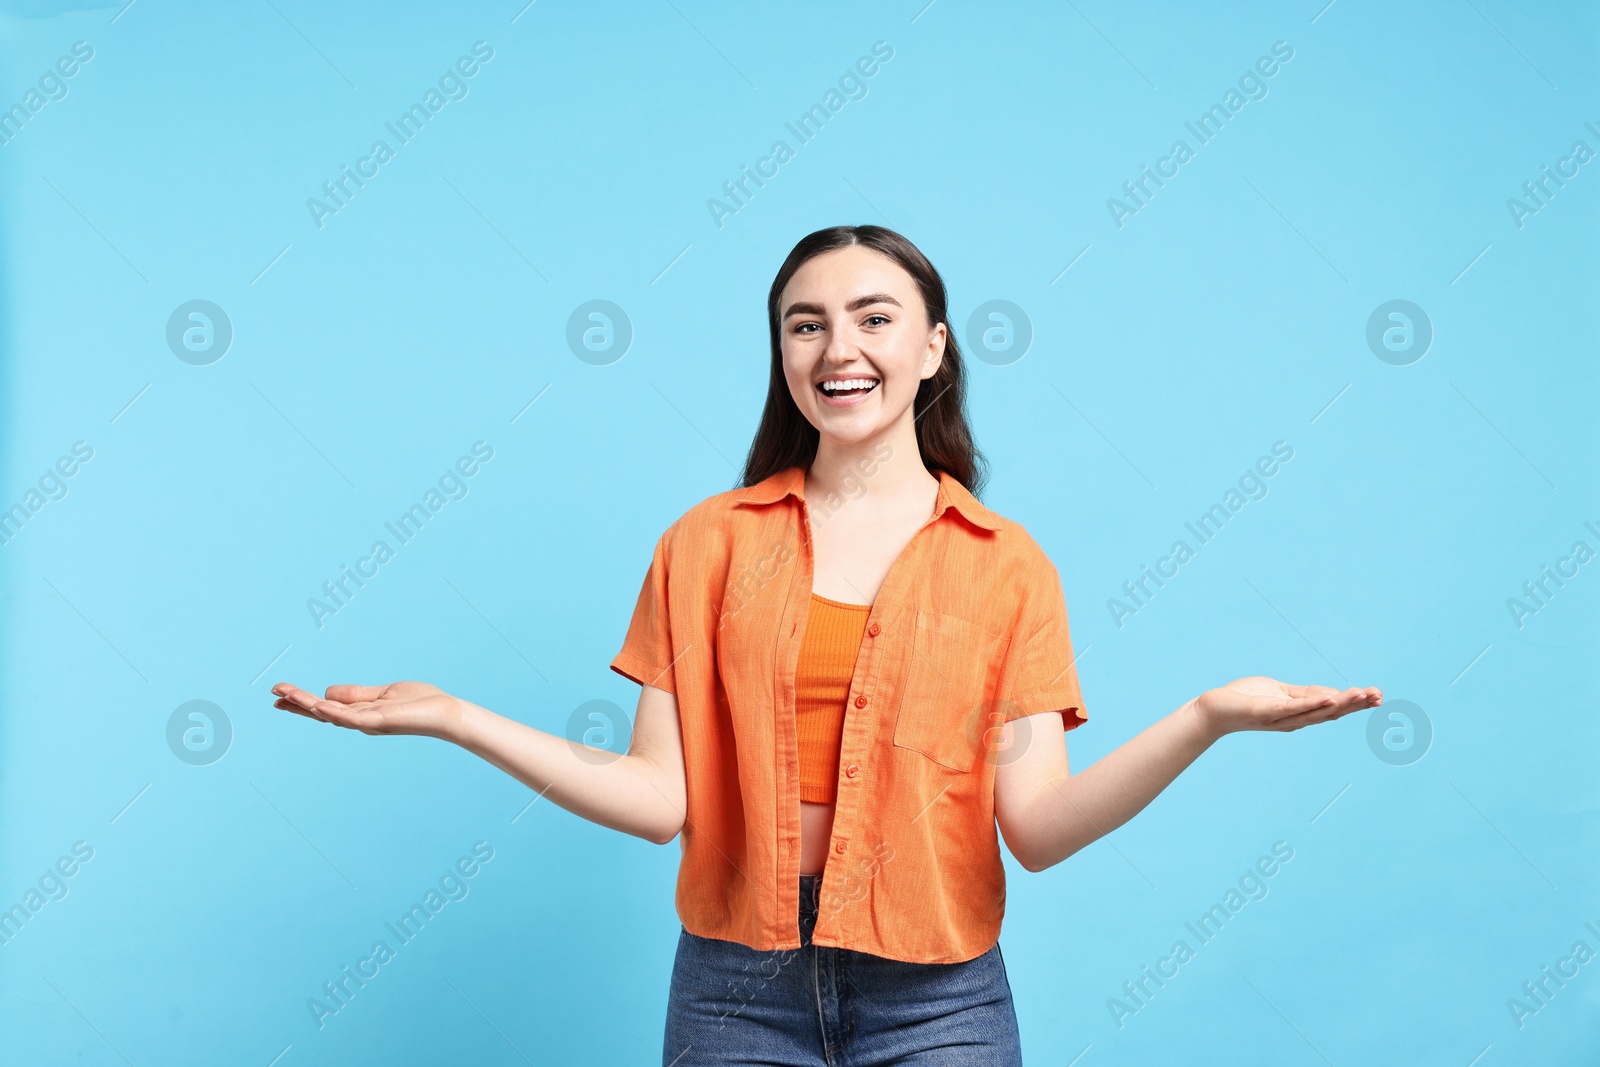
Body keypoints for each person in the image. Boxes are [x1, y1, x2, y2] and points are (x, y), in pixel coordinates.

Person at [271, 224, 1381, 1065]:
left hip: (939, 994)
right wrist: (455, 716)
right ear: (782, 352)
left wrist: (1208, 717)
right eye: (806, 323)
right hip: (732, 989)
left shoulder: (1004, 564)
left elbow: (1036, 827)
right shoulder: (706, 543)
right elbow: (659, 798)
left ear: (934, 347)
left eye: (873, 316)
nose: (837, 347)